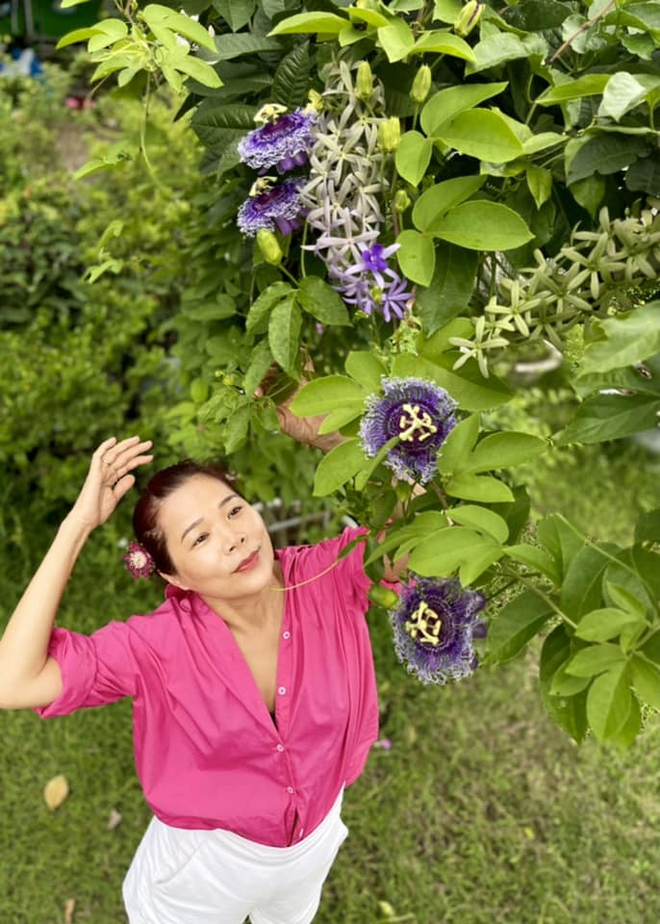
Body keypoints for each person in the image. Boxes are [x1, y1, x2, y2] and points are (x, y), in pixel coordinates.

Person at [0, 425, 404, 924]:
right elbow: (12, 680)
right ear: (174, 576)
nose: (234, 537)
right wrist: (78, 525)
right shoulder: (155, 645)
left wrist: (333, 438)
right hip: (208, 863)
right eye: (201, 537)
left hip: (315, 841)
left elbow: (424, 530)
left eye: (234, 510)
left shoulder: (329, 575)